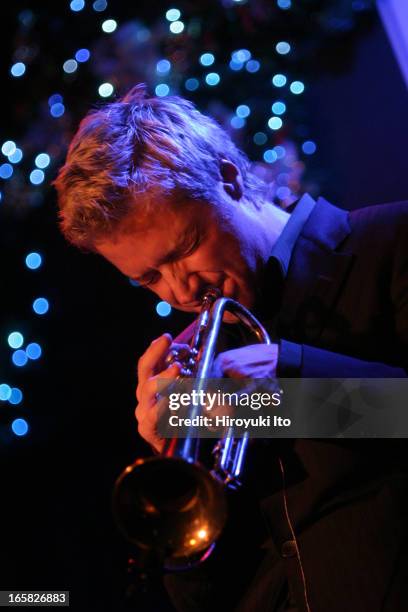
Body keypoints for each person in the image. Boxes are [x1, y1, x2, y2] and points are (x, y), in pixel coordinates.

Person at [54, 85, 408, 612]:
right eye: (148, 278)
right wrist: (175, 462)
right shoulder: (201, 366)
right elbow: (207, 599)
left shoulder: (390, 243)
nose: (180, 292)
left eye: (185, 249)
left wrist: (288, 388)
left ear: (229, 177)